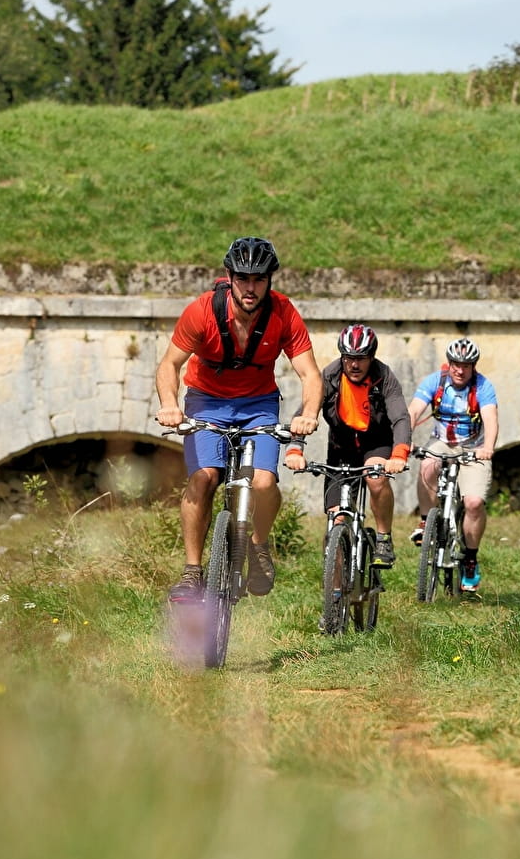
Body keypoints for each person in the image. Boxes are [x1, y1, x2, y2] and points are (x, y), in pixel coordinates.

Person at [154, 236, 322, 603]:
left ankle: (258, 547)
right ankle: (192, 571)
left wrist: (308, 414)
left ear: (270, 280)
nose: (251, 287)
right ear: (229, 276)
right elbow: (170, 363)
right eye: (243, 277)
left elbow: (310, 375)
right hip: (206, 402)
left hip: (259, 405)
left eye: (259, 279)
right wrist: (170, 403)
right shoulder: (202, 312)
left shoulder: (283, 314)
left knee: (262, 483)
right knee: (203, 477)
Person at [283, 324, 410, 567]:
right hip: (341, 448)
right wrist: (295, 448)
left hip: (376, 444)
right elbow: (306, 412)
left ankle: (383, 538)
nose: (354, 364)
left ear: (371, 358)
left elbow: (401, 417)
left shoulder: (384, 377)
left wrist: (399, 453)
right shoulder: (330, 376)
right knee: (336, 520)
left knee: (375, 477)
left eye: (361, 359)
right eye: (349, 358)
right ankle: (336, 591)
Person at [405, 337, 499, 592]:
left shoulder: (483, 387)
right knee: (427, 465)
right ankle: (426, 522)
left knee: (473, 503)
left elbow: (490, 419)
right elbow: (413, 411)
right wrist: (405, 441)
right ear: (449, 364)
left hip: (473, 447)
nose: (460, 370)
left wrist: (487, 448)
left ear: (473, 367)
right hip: (442, 442)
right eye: (456, 364)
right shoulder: (435, 381)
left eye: (466, 365)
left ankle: (470, 559)